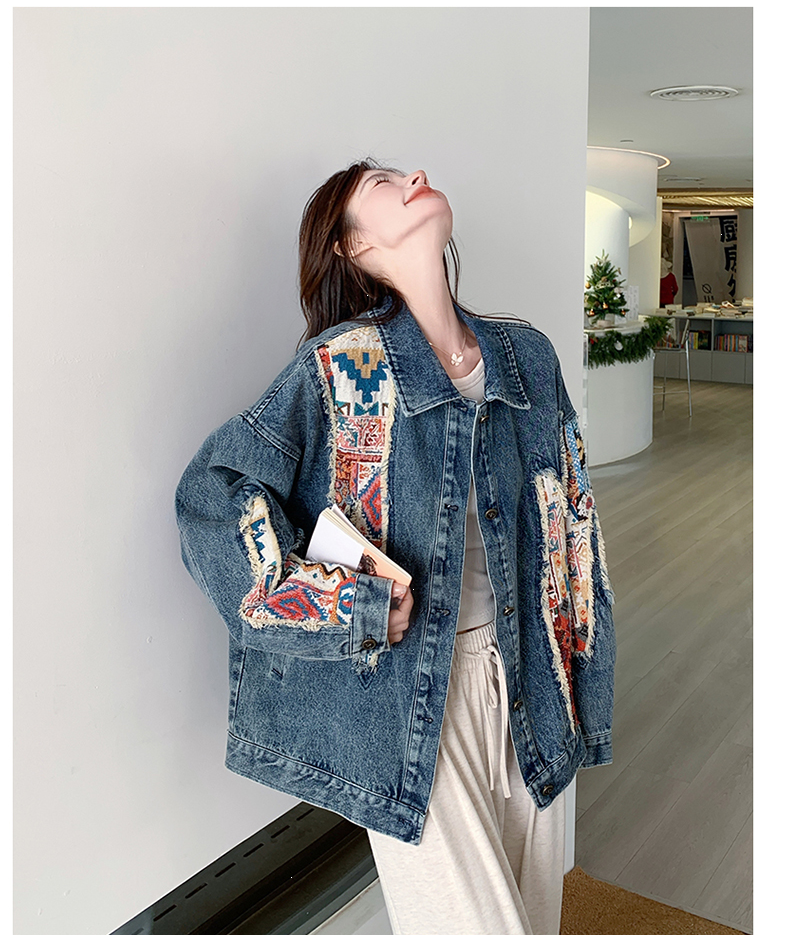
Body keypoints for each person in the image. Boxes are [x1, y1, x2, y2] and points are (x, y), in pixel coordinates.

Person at [175, 159, 617, 935]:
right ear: (351, 246)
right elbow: (210, 499)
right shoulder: (342, 369)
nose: (413, 174)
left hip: (533, 674)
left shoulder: (528, 357)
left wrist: (585, 679)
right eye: (381, 183)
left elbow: (575, 528)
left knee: (535, 921)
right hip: (410, 696)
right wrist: (347, 603)